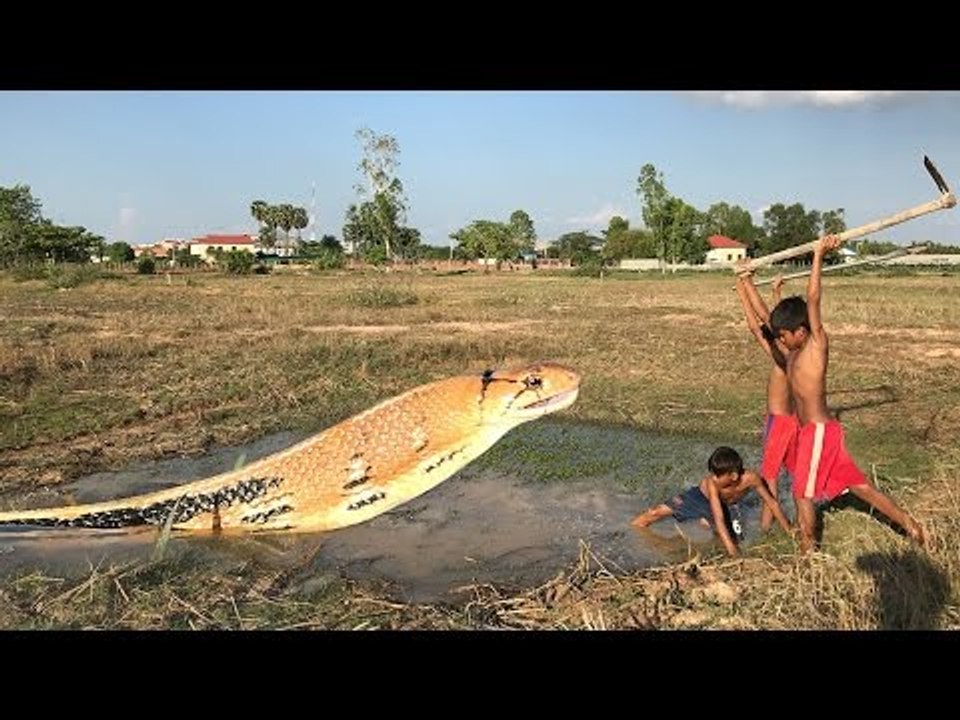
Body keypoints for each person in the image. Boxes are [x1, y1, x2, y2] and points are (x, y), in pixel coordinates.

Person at [768, 234, 925, 552]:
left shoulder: (815, 344)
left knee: (802, 492)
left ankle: (808, 552)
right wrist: (759, 286)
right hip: (817, 432)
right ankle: (914, 528)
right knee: (859, 487)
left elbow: (812, 300)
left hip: (818, 432)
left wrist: (818, 255)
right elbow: (772, 320)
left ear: (801, 331)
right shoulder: (793, 353)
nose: (782, 341)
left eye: (785, 335)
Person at [630, 446, 793, 557]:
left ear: (734, 476)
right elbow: (719, 517)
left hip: (726, 507)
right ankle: (630, 532)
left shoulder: (752, 479)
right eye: (713, 474)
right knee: (654, 512)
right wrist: (732, 551)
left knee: (734, 541)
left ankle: (705, 525)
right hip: (699, 498)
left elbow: (772, 503)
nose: (713, 478)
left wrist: (789, 531)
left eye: (717, 475)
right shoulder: (711, 483)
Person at [734, 269, 799, 531]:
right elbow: (765, 325)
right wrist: (772, 291)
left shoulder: (785, 358)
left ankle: (766, 527)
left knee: (769, 477)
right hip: (789, 421)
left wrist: (746, 282)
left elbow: (763, 321)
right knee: (794, 474)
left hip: (780, 423)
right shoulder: (789, 353)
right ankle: (797, 519)